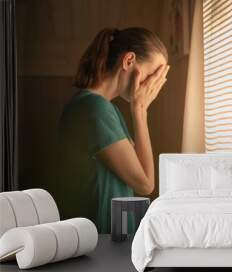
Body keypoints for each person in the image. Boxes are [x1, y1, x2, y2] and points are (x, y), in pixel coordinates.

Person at [57, 27, 169, 233]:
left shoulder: (106, 108)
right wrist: (140, 109)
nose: (152, 86)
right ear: (128, 61)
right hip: (99, 239)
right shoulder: (95, 109)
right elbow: (144, 184)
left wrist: (139, 108)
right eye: (151, 75)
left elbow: (138, 169)